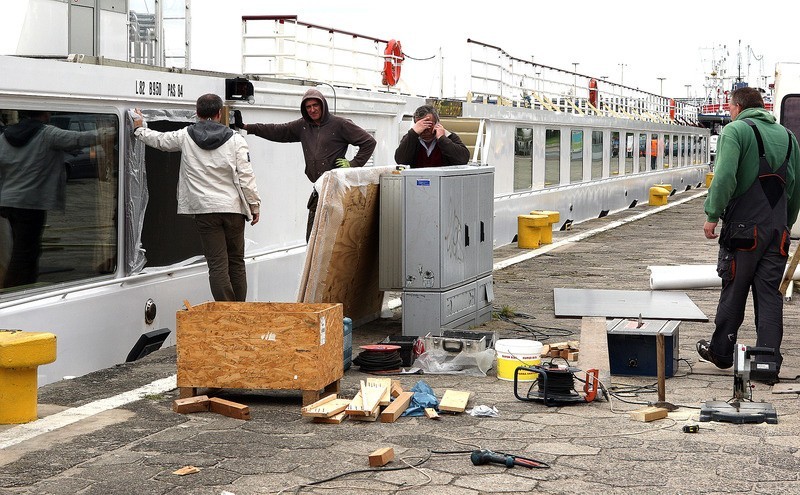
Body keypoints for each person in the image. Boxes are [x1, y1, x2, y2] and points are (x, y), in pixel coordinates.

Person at [697, 86, 800, 384]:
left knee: (735, 287)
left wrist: (712, 214)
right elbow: (795, 188)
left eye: (729, 108)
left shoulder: (736, 131)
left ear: (738, 106)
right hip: (777, 231)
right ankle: (767, 363)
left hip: (743, 230)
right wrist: (785, 223)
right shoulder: (789, 138)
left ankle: (721, 352)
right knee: (770, 295)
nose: (729, 112)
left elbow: (725, 176)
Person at [132, 94, 261, 302]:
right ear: (220, 114)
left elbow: (160, 141)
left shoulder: (185, 136)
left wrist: (139, 128)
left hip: (205, 211)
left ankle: (226, 313)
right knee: (236, 261)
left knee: (217, 264)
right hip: (233, 209)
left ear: (197, 113)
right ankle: (240, 312)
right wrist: (254, 205)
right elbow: (246, 176)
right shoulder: (236, 140)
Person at [238, 89, 376, 241]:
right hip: (318, 188)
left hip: (337, 189)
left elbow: (369, 142)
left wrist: (352, 164)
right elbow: (277, 130)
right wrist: (246, 127)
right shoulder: (303, 126)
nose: (312, 109)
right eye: (308, 107)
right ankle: (314, 264)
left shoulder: (340, 124)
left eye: (315, 105)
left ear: (323, 105)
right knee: (312, 239)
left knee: (333, 238)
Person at [0, 111, 110, 288]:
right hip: (31, 203)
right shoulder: (47, 133)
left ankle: (20, 286)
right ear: (45, 114)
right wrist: (113, 131)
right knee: (26, 251)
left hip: (9, 202)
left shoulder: (5, 137)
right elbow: (79, 138)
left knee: (21, 248)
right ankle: (17, 289)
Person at [394, 105, 470, 168]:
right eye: (421, 125)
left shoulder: (449, 137)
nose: (424, 129)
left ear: (437, 123)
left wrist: (442, 139)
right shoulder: (410, 138)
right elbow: (400, 161)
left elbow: (463, 160)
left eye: (429, 125)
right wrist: (413, 133)